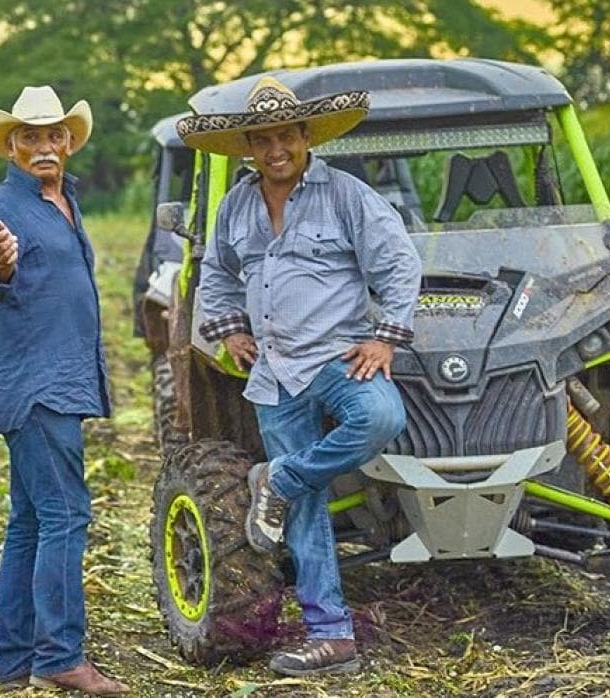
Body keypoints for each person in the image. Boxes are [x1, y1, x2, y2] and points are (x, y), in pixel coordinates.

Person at [177, 77, 421, 676]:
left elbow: (398, 262)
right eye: (262, 140)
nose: (275, 149)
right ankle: (330, 634)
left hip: (338, 356)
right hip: (275, 370)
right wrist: (230, 330)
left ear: (306, 136)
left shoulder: (346, 195)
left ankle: (277, 479)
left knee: (381, 415)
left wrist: (385, 337)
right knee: (307, 507)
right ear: (248, 147)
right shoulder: (235, 207)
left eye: (286, 135)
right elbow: (217, 273)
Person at [0, 85, 128, 696]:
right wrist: (1, 264)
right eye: (29, 137)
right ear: (10, 147)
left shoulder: (63, 199)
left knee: (31, 520)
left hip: (59, 379)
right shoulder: (0, 206)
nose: (43, 146)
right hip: (37, 386)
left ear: (68, 142)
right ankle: (60, 655)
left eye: (53, 135)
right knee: (65, 514)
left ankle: (14, 661)